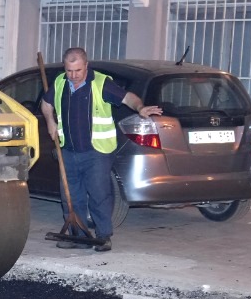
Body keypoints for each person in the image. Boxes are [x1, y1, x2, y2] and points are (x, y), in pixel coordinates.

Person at [40, 47, 162, 252]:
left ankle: (104, 236)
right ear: (65, 68)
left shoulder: (101, 83)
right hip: (68, 151)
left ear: (86, 66)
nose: (73, 75)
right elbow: (45, 104)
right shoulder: (60, 82)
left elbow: (128, 98)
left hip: (96, 152)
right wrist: (50, 122)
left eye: (78, 70)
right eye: (69, 71)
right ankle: (77, 236)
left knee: (99, 194)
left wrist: (140, 107)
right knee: (71, 195)